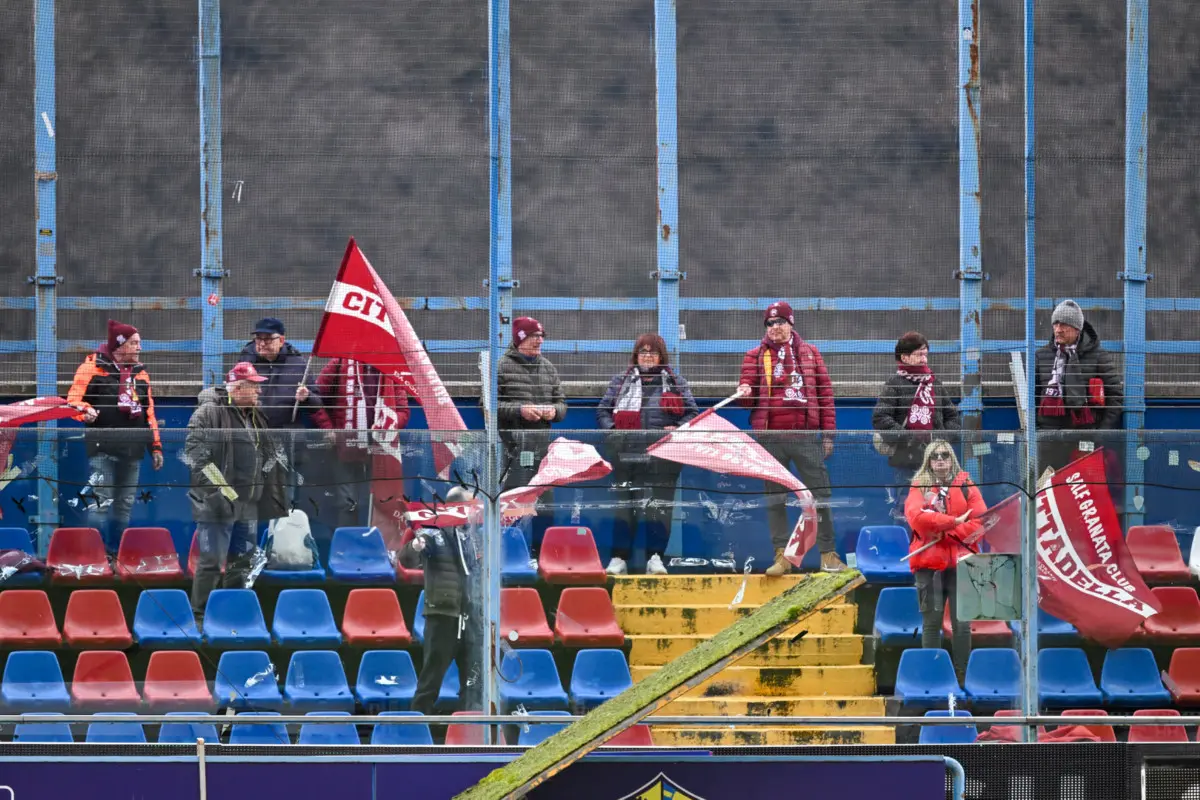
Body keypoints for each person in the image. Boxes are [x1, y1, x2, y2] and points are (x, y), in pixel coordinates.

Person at [736, 301, 846, 575]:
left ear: (791, 323)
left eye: (780, 322)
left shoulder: (810, 354)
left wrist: (828, 435)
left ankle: (828, 555)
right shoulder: (754, 356)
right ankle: (781, 557)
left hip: (806, 436)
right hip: (771, 438)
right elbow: (746, 403)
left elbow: (825, 395)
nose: (775, 328)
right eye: (770, 324)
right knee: (775, 499)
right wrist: (744, 392)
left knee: (819, 496)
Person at [183, 363, 288, 623]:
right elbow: (196, 455)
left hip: (249, 504)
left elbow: (267, 451)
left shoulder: (255, 415)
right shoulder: (209, 413)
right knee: (211, 562)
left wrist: (267, 480)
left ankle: (231, 614)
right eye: (254, 387)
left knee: (242, 563)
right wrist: (223, 491)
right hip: (216, 503)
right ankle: (200, 616)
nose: (259, 392)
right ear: (238, 388)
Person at [596, 334, 700, 576]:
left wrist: (677, 428)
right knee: (625, 507)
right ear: (636, 356)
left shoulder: (676, 382)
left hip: (663, 457)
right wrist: (614, 433)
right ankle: (619, 559)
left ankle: (656, 558)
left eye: (652, 353)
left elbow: (693, 413)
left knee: (660, 508)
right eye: (643, 352)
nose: (647, 357)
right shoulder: (621, 382)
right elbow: (603, 411)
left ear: (661, 356)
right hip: (627, 455)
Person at [67, 320, 164, 551]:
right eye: (135, 343)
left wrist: (156, 447)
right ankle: (95, 554)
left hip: (134, 449)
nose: (140, 348)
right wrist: (85, 413)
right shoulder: (92, 368)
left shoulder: (140, 374)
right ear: (119, 346)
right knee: (100, 502)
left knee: (125, 504)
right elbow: (73, 401)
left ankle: (116, 554)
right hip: (103, 447)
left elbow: (148, 412)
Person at [904, 439, 986, 679]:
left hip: (962, 564)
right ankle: (933, 674)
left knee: (962, 624)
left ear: (952, 459)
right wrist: (954, 522)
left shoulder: (967, 485)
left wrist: (944, 532)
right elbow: (916, 519)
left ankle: (962, 674)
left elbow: (980, 521)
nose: (940, 460)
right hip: (929, 567)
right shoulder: (918, 486)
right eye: (935, 456)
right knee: (931, 623)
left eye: (945, 455)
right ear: (928, 461)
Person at [401, 486, 482, 715]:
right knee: (431, 680)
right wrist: (415, 546)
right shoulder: (433, 532)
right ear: (457, 507)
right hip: (443, 617)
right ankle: (417, 730)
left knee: (473, 681)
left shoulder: (472, 536)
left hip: (470, 617)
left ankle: (470, 730)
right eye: (469, 506)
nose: (473, 511)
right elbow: (406, 556)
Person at [237, 318, 333, 504]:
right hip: (254, 437)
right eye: (258, 339)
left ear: (281, 340)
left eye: (268, 339)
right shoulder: (246, 360)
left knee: (285, 497)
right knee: (251, 495)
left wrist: (306, 397)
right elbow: (231, 392)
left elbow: (317, 402)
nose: (262, 343)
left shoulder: (297, 364)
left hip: (287, 441)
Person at [497, 317, 566, 561]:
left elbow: (561, 404)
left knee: (545, 504)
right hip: (512, 449)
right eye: (533, 336)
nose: (539, 340)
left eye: (541, 336)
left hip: (541, 448)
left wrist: (553, 412)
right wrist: (519, 410)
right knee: (513, 503)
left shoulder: (548, 367)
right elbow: (489, 406)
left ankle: (543, 555)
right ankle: (508, 555)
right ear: (519, 339)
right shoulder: (502, 367)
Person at [872, 332, 960, 521]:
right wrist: (910, 437)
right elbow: (881, 418)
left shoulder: (935, 383)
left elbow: (953, 417)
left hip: (937, 462)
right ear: (904, 357)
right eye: (919, 354)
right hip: (906, 462)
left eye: (926, 354)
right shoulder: (894, 384)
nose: (924, 359)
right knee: (907, 511)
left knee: (938, 510)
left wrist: (939, 439)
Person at [316, 358, 411, 528]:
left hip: (379, 450)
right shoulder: (339, 362)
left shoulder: (389, 367)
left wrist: (386, 427)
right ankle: (346, 550)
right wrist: (329, 429)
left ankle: (379, 549)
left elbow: (402, 411)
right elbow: (315, 397)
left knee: (380, 502)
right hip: (345, 449)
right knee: (347, 503)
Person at [1034, 300, 1123, 471]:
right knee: (1047, 489)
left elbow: (1116, 395)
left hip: (1085, 439)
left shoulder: (1098, 357)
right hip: (1049, 441)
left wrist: (1100, 434)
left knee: (1083, 490)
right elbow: (1030, 397)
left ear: (1077, 329)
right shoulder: (1041, 356)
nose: (1058, 329)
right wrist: (1037, 430)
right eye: (1055, 324)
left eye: (1064, 325)